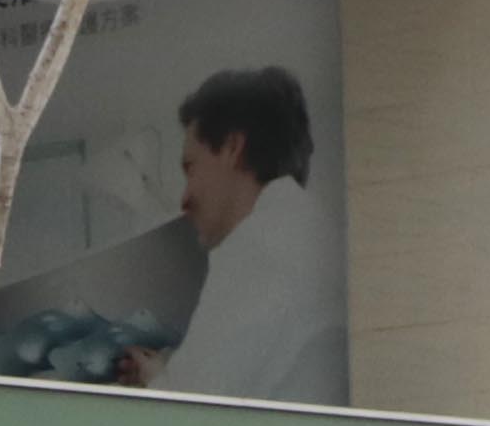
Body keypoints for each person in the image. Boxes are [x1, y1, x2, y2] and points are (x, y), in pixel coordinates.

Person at [137, 65, 348, 405]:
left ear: (232, 147)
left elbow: (191, 404)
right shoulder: (317, 234)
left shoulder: (256, 249)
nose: (184, 198)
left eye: (190, 168)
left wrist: (153, 379)